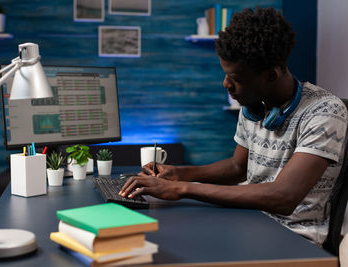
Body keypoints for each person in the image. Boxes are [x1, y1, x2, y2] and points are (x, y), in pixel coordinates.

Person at [119, 7, 348, 246]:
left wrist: (183, 188)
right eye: (225, 74)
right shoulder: (254, 105)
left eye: (236, 78)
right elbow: (237, 167)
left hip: (294, 240)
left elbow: (285, 196)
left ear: (271, 75)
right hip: (250, 219)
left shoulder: (324, 111)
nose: (226, 83)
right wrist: (179, 173)